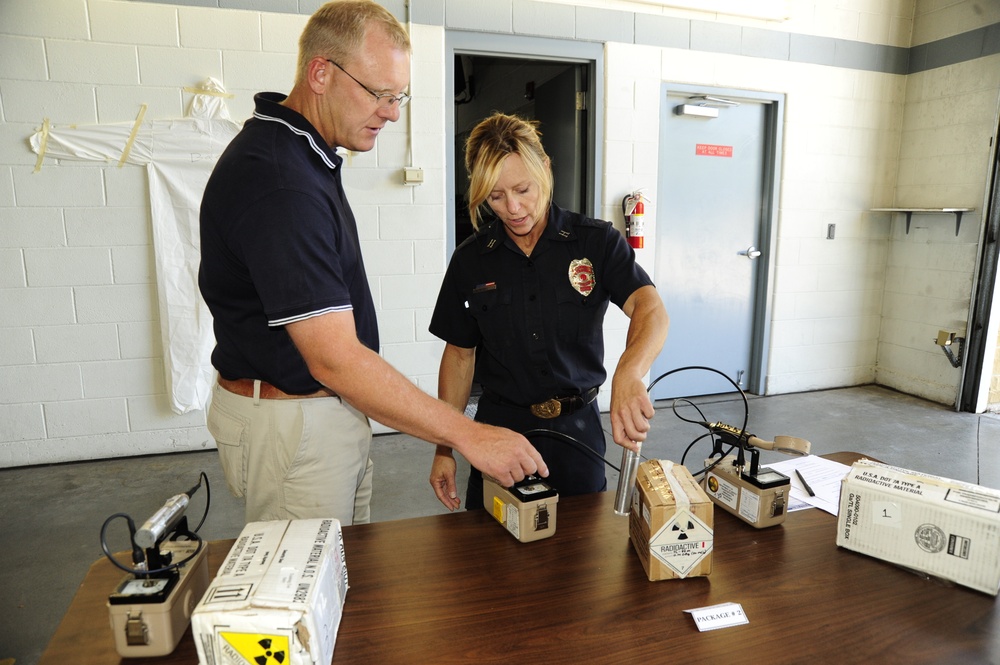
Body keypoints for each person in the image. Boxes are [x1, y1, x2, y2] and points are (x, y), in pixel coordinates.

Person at [198, 1, 547, 527]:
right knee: (305, 591)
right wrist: (466, 434)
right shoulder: (281, 181)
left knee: (347, 575)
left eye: (399, 96)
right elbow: (333, 359)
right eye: (381, 94)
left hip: (323, 414)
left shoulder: (302, 156)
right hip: (295, 421)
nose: (392, 112)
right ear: (321, 73)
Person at [428, 113, 669, 511]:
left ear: (546, 168)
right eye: (495, 197)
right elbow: (458, 356)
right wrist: (445, 446)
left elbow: (651, 308)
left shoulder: (595, 242)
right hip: (499, 436)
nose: (513, 208)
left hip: (578, 433)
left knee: (582, 558)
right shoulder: (471, 260)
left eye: (523, 189)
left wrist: (630, 371)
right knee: (493, 557)